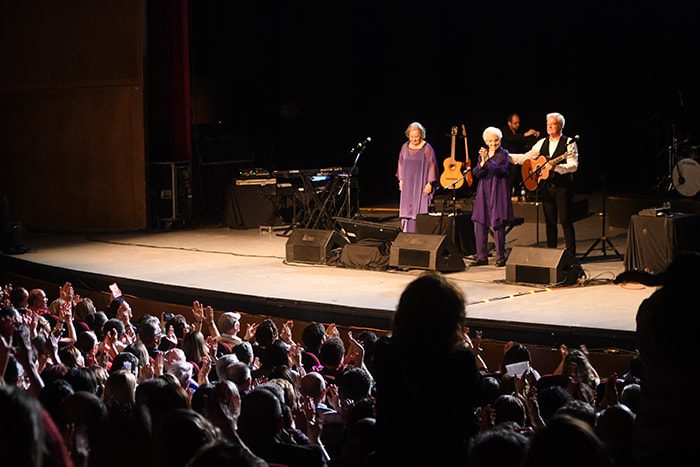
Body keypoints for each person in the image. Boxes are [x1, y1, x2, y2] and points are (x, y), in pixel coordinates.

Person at [509, 112, 579, 257]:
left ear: (561, 125)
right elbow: (527, 157)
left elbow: (573, 165)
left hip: (562, 187)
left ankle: (571, 254)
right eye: (548, 124)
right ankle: (551, 254)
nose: (549, 127)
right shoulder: (542, 142)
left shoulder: (569, 142)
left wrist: (556, 168)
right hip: (546, 186)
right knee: (550, 221)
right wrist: (507, 157)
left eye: (553, 124)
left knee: (565, 220)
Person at [471, 127, 513, 267]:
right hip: (484, 191)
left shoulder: (504, 154)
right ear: (486, 141)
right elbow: (477, 173)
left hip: (498, 190)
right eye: (490, 141)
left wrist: (488, 159)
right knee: (480, 223)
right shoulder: (483, 154)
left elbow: (500, 171)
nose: (493, 144)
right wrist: (482, 162)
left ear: (500, 140)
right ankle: (481, 257)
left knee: (498, 223)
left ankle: (501, 257)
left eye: (496, 141)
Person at [396, 122, 439, 233]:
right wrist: (400, 180)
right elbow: (400, 164)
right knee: (407, 209)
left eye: (417, 136)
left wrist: (430, 183)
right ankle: (406, 233)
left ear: (421, 135)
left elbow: (432, 166)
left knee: (419, 208)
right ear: (408, 135)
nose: (414, 139)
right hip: (407, 184)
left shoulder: (427, 148)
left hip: (421, 183)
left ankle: (419, 233)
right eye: (412, 136)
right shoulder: (405, 147)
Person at [501, 113, 540, 196]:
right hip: (507, 161)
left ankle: (523, 194)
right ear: (509, 123)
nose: (518, 125)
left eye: (518, 122)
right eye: (515, 123)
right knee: (512, 173)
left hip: (519, 160)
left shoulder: (519, 131)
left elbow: (525, 142)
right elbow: (513, 139)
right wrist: (526, 134)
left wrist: (535, 135)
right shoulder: (504, 131)